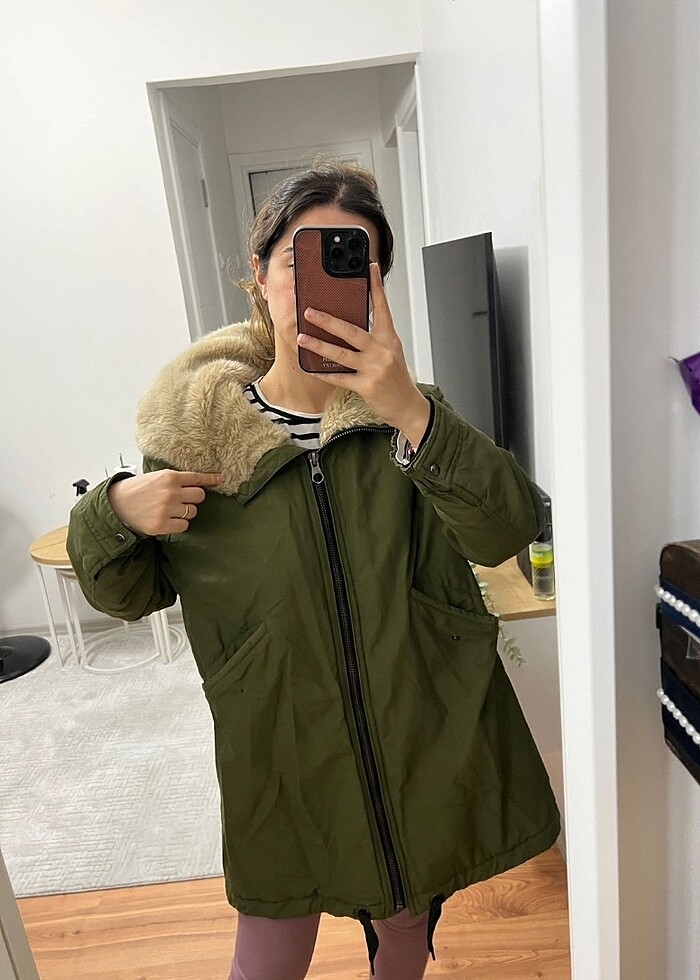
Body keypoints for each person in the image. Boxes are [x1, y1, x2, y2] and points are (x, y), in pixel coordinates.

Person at [66, 160, 561, 980]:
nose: (319, 282)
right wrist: (112, 508)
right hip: (280, 743)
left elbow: (507, 528)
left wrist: (411, 412)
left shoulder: (415, 417)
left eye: (351, 260)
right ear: (259, 274)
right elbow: (124, 594)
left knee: (406, 917)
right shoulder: (197, 441)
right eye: (300, 257)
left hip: (414, 734)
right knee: (269, 948)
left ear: (377, 286)